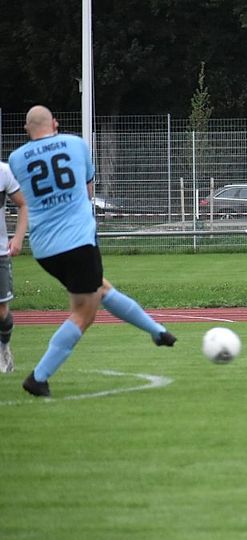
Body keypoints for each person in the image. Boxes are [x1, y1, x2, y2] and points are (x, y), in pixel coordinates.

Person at [8, 106, 176, 397]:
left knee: (100, 288)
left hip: (45, 249)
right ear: (55, 123)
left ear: (26, 129)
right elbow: (88, 191)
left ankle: (157, 331)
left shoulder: (16, 158)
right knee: (84, 314)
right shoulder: (75, 144)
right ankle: (39, 377)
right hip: (78, 241)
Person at [0, 162, 28, 374]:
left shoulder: (3, 171)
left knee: (1, 311)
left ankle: (4, 346)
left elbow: (23, 204)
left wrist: (18, 238)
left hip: (0, 252)